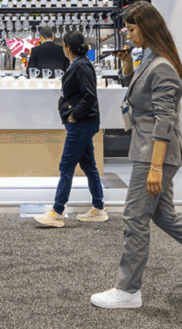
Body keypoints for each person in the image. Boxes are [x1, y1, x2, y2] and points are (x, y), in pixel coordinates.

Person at [91, 1, 182, 309]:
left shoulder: (162, 66)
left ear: (146, 28)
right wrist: (128, 67)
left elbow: (164, 121)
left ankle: (127, 291)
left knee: (135, 218)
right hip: (150, 150)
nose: (128, 35)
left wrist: (156, 167)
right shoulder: (151, 59)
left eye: (131, 29)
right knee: (164, 215)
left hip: (154, 153)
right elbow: (141, 98)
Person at [34, 30, 106, 227]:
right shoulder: (80, 63)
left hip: (82, 123)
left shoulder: (81, 65)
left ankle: (57, 212)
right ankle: (98, 208)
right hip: (84, 122)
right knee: (89, 166)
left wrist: (74, 115)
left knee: (66, 166)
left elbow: (89, 95)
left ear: (67, 48)